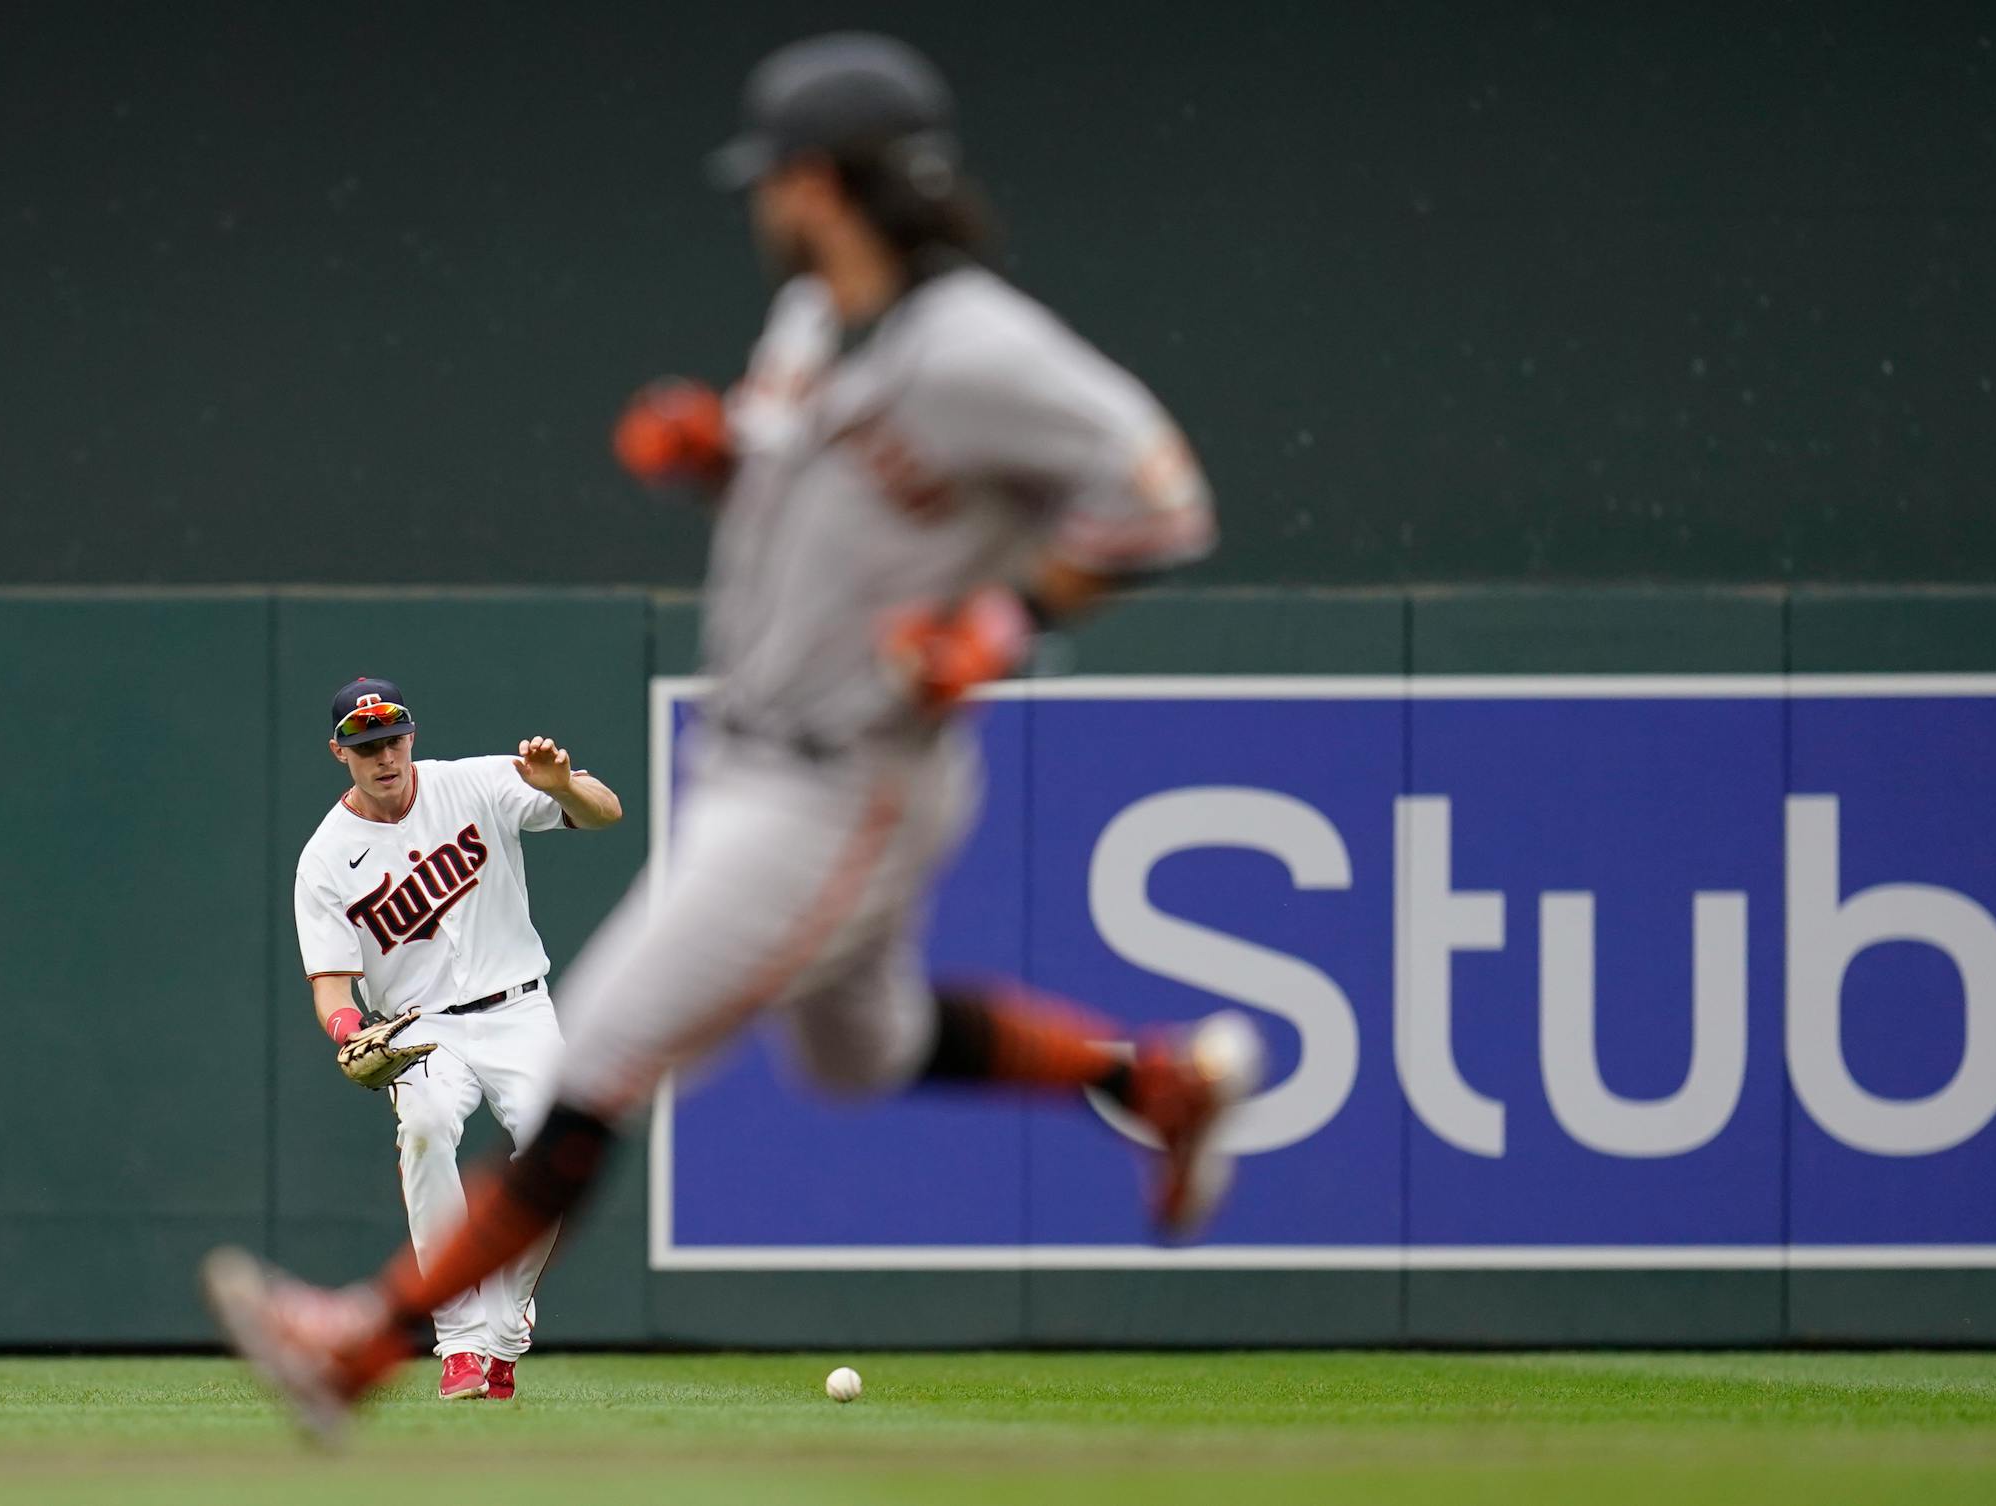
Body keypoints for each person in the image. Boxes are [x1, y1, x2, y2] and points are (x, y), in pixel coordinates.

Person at [205, 35, 1262, 1436]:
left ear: (822, 182)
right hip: (761, 754)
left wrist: (999, 623)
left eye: (776, 179)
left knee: (596, 1066)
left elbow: (1161, 496)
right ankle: (1158, 1080)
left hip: (841, 778)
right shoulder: (819, 323)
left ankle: (365, 1346)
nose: (763, 204)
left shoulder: (978, 342)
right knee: (860, 1050)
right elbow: (821, 515)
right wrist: (719, 462)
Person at [292, 676, 621, 1401]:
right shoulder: (325, 856)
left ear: (413, 734)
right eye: (366, 743)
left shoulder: (472, 782)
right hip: (420, 1027)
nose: (384, 755)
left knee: (558, 1150)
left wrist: (564, 785)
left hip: (518, 1008)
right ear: (339, 752)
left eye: (393, 737)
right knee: (427, 1130)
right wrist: (351, 1031)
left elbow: (606, 813)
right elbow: (331, 988)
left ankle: (504, 1331)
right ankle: (462, 1343)